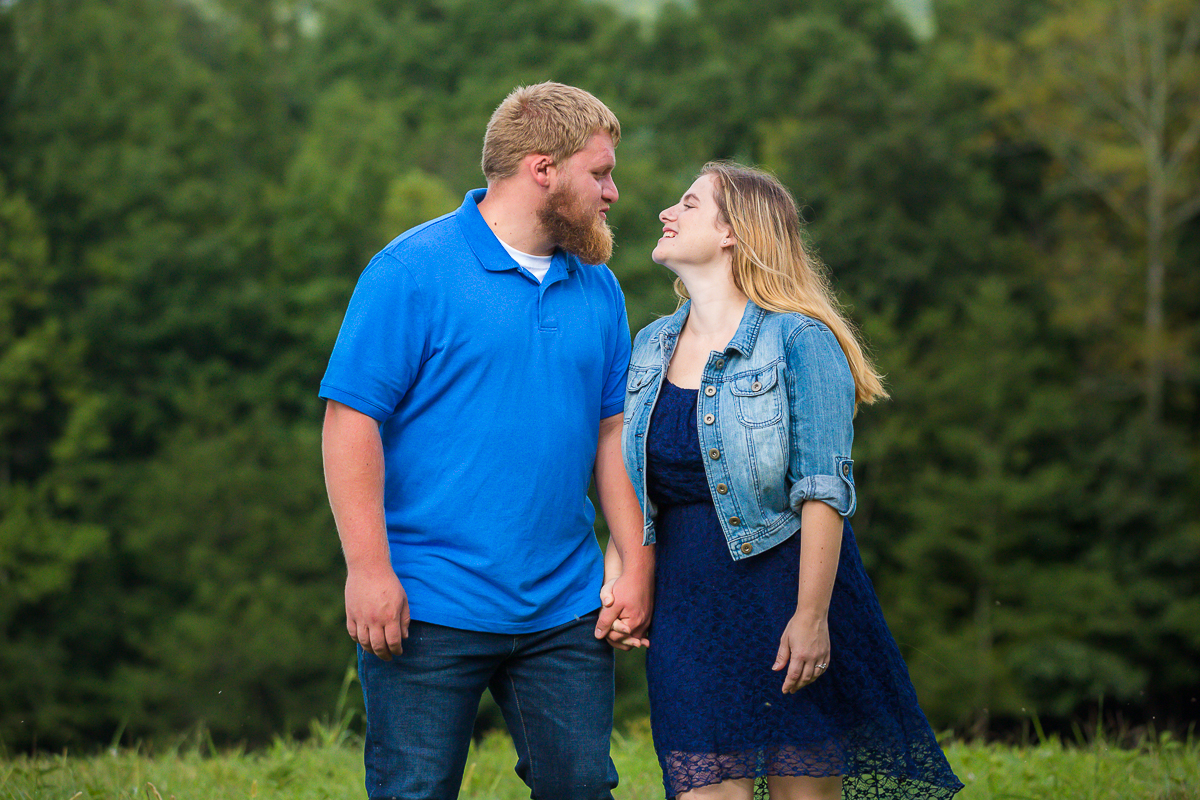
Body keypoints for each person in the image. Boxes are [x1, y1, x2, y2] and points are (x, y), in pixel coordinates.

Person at [319, 81, 653, 800]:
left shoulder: (598, 288)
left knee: (582, 790)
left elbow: (613, 433)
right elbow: (350, 422)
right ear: (543, 169)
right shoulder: (411, 272)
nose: (613, 192)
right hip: (427, 601)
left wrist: (634, 564)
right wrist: (368, 570)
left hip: (564, 608)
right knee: (414, 791)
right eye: (599, 173)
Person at [604, 162, 963, 799]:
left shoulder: (800, 340)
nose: (666, 212)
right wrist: (625, 576)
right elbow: (637, 481)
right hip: (688, 610)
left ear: (732, 234)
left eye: (688, 204)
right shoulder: (651, 344)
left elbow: (824, 490)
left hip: (785, 595)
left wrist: (811, 615)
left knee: (804, 792)